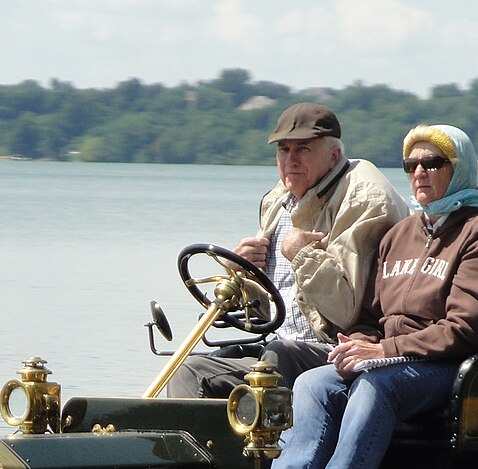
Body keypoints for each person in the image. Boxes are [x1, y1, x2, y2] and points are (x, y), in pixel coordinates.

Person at [262, 124, 478, 469]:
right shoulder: (400, 235)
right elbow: (370, 315)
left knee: (375, 385)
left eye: (433, 163)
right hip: (391, 357)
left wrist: (382, 351)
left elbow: (464, 329)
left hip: (446, 366)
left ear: (459, 169)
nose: (420, 172)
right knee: (314, 381)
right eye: (411, 164)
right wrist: (354, 344)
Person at [165, 102, 407, 398]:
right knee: (188, 370)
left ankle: (268, 442)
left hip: (342, 350)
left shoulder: (364, 199)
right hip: (280, 344)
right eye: (283, 150)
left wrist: (302, 254)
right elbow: (270, 311)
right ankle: (198, 443)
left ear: (333, 156)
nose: (290, 160)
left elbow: (346, 312)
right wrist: (241, 273)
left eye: (303, 149)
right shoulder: (280, 199)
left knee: (275, 359)